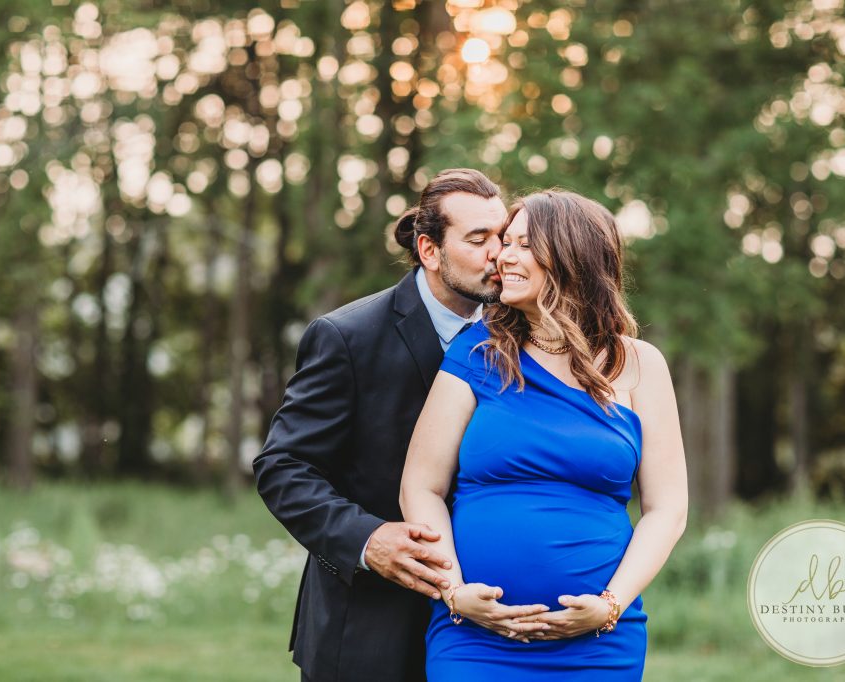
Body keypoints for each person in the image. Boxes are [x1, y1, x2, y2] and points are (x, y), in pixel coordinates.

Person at [254, 169, 544, 682]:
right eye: (478, 240)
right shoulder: (347, 337)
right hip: (370, 629)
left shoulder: (525, 339)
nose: (498, 253)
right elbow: (283, 467)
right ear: (430, 250)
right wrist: (369, 540)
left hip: (490, 628)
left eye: (503, 236)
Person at [400, 189, 689, 680]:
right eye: (503, 242)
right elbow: (420, 486)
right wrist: (453, 591)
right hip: (474, 637)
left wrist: (611, 604)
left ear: (573, 255)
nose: (502, 256)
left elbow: (667, 509)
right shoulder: (477, 353)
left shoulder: (640, 365)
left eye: (522, 245)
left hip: (598, 642)